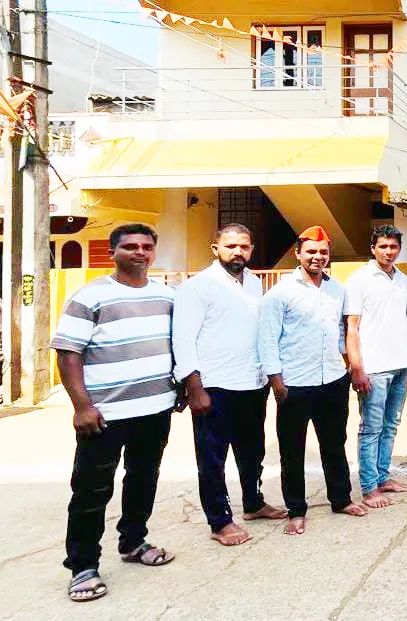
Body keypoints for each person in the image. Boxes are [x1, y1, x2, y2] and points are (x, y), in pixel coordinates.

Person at [53, 224, 177, 603]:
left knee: (143, 478)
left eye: (146, 246)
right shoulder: (90, 296)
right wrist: (82, 406)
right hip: (105, 414)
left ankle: (134, 542)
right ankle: (83, 566)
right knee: (92, 489)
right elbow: (68, 353)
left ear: (153, 252)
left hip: (155, 409)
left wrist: (181, 389)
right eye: (130, 246)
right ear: (113, 253)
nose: (139, 252)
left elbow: (177, 345)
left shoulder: (167, 295)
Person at [173, 223, 285, 548]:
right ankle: (220, 521)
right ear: (216, 249)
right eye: (231, 246)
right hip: (214, 387)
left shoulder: (254, 283)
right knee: (213, 459)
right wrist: (194, 388)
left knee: (253, 452)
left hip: (252, 384)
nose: (238, 252)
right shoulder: (197, 287)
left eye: (244, 246)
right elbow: (183, 340)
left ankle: (253, 502)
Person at [258, 225, 368, 535]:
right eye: (311, 251)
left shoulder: (337, 289)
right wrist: (276, 381)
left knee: (334, 444)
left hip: (332, 380)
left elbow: (342, 332)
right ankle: (296, 510)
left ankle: (341, 499)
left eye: (323, 252)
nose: (317, 257)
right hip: (294, 383)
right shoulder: (280, 293)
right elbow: (267, 339)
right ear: (298, 254)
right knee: (292, 449)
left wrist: (350, 366)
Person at [345, 225, 407, 509]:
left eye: (393, 247)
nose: (389, 252)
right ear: (373, 248)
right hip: (374, 368)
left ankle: (382, 476)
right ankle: (369, 488)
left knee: (391, 425)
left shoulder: (402, 279)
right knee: (371, 428)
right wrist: (356, 368)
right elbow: (352, 327)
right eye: (383, 246)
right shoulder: (359, 280)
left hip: (400, 364)